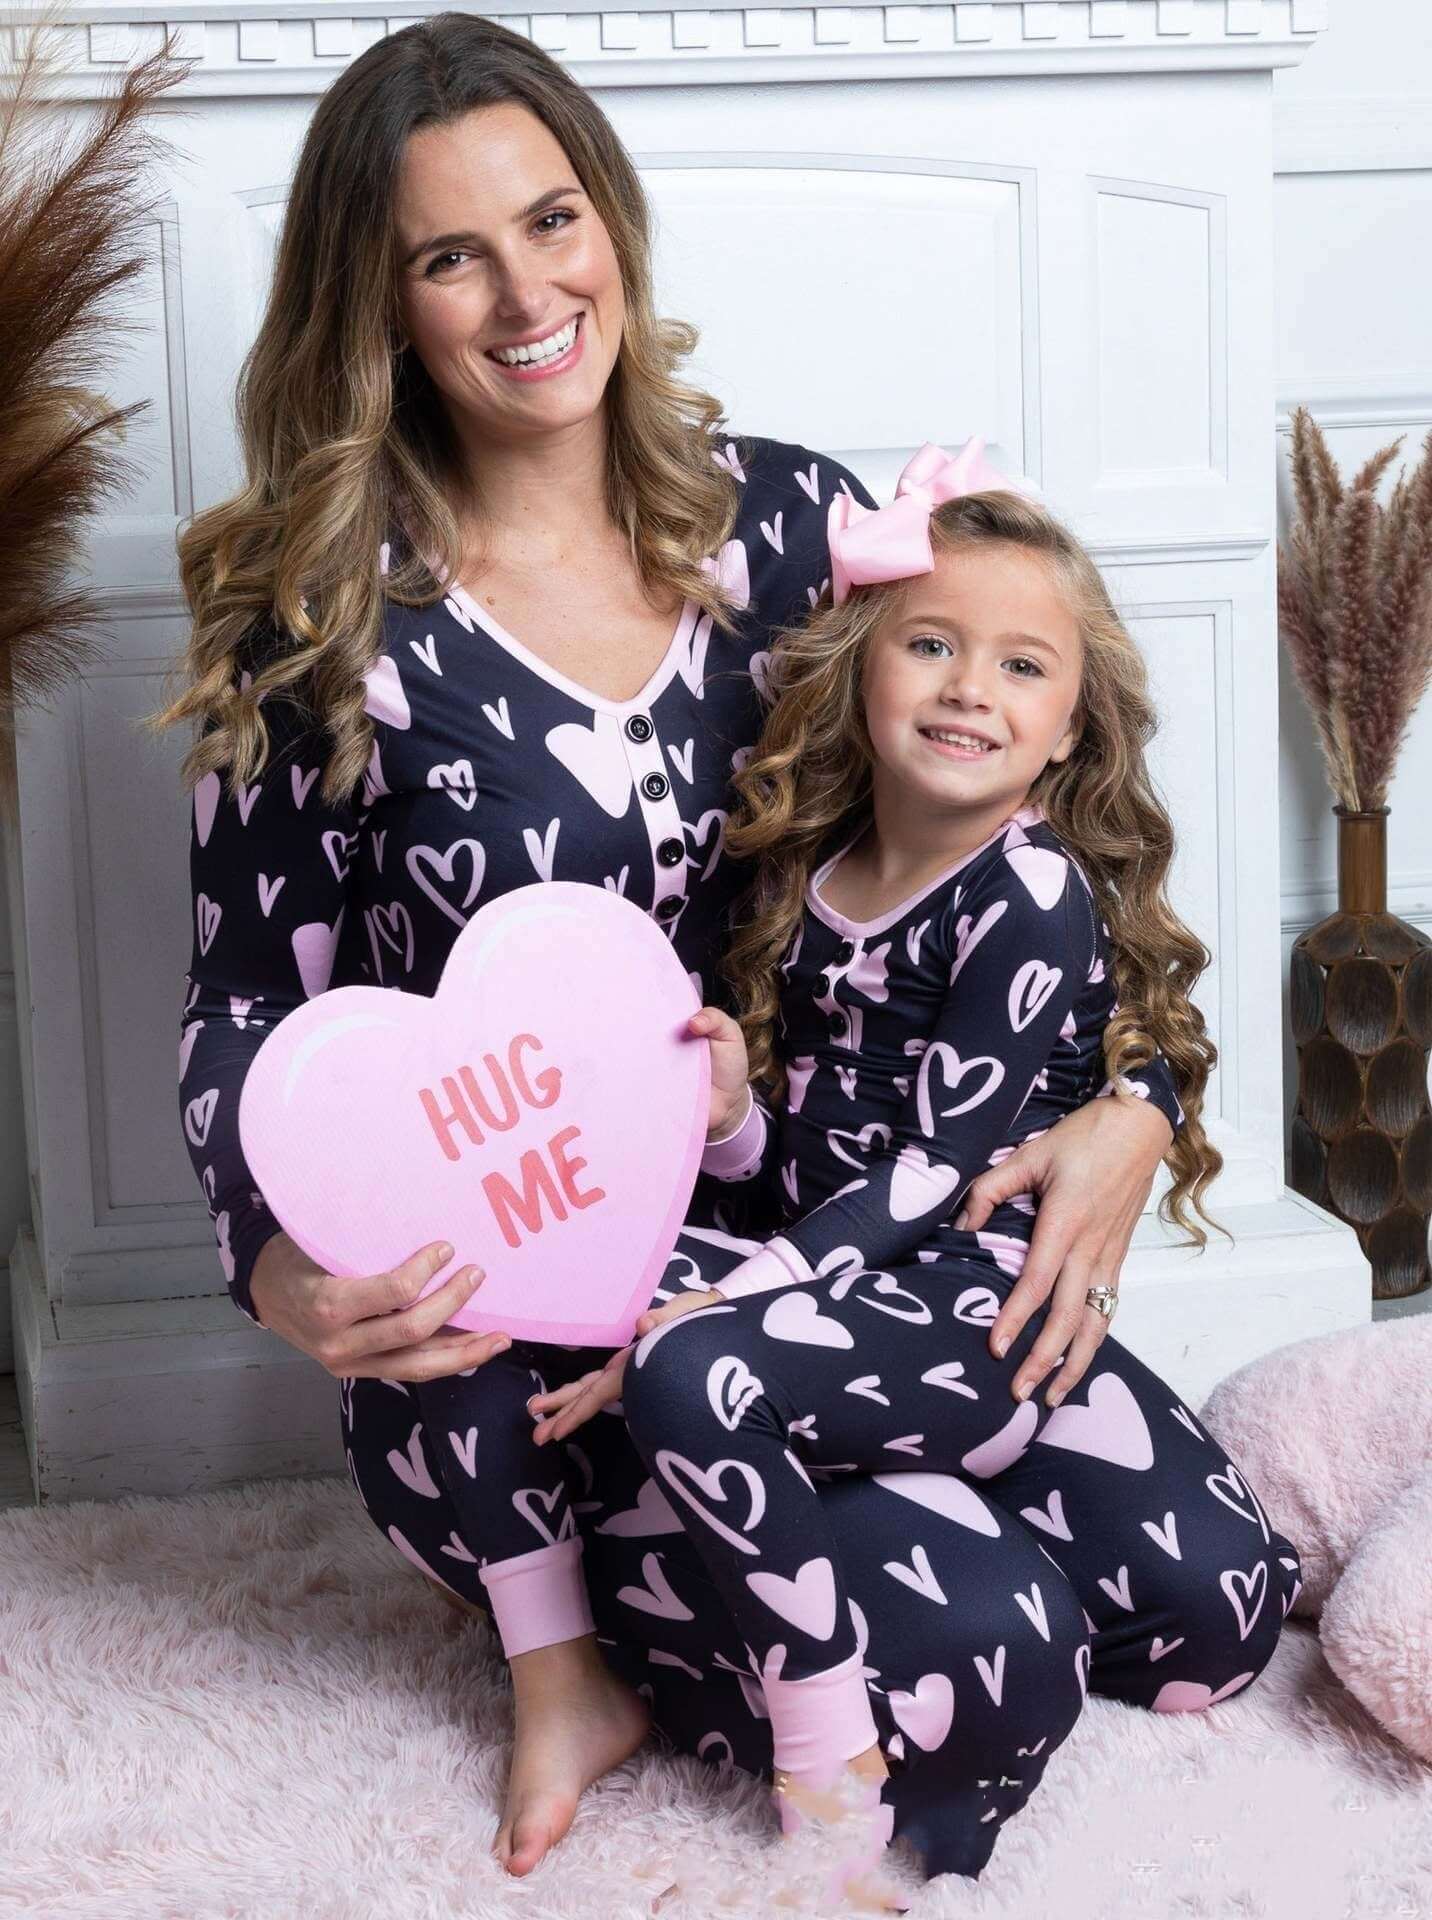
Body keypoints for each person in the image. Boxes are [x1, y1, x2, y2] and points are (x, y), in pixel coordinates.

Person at [154, 10, 1224, 1897]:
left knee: (1211, 1597)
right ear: (377, 304)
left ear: (616, 225)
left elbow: (1053, 810)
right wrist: (277, 1274)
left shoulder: (799, 528)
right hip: (516, 1345)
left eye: (552, 220)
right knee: (995, 1658)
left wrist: (1137, 1099)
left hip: (825, 1261)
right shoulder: (328, 632)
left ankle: (835, 1545)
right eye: (447, 255)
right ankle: (573, 1647)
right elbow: (245, 1009)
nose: (524, 293)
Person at [524, 446, 1301, 1903]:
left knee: (1220, 1627)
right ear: (863, 674)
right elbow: (804, 1175)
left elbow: (942, 1173)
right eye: (932, 645)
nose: (968, 688)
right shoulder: (799, 881)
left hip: (972, 1313)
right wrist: (734, 1126)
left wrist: (736, 1301)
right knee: (662, 1351)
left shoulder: (1031, 892)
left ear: (1072, 726)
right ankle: (837, 1757)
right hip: (844, 1302)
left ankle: (888, 1490)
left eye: (1021, 665)